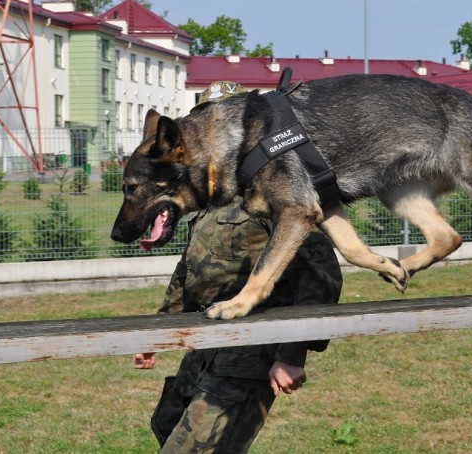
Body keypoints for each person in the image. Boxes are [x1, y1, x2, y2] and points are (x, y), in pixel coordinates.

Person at [132, 82, 343, 453]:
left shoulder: (272, 190)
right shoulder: (207, 191)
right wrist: (158, 329)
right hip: (207, 341)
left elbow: (321, 275)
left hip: (252, 351)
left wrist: (292, 355)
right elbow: (192, 268)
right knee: (166, 423)